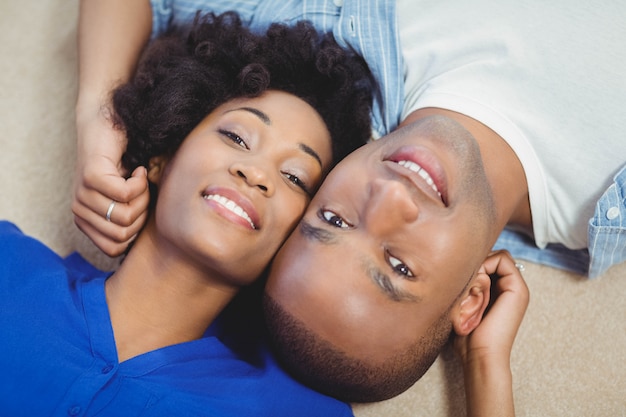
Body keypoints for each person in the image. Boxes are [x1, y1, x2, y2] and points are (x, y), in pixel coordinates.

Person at [73, 0, 626, 411]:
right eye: (400, 266)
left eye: (332, 220)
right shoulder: (605, 206)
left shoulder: (314, 38)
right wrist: (486, 370)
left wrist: (100, 126)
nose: (389, 197)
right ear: (473, 298)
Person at [0, 12, 374, 416]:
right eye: (236, 137)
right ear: (163, 156)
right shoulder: (8, 264)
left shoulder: (298, 410)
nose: (257, 173)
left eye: (294, 177)